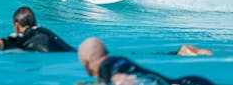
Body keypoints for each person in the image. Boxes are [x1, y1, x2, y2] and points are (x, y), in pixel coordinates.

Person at [78, 37, 215, 85]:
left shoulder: (108, 64)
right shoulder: (110, 67)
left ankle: (185, 50)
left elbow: (121, 76)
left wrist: (120, 79)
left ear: (86, 63)